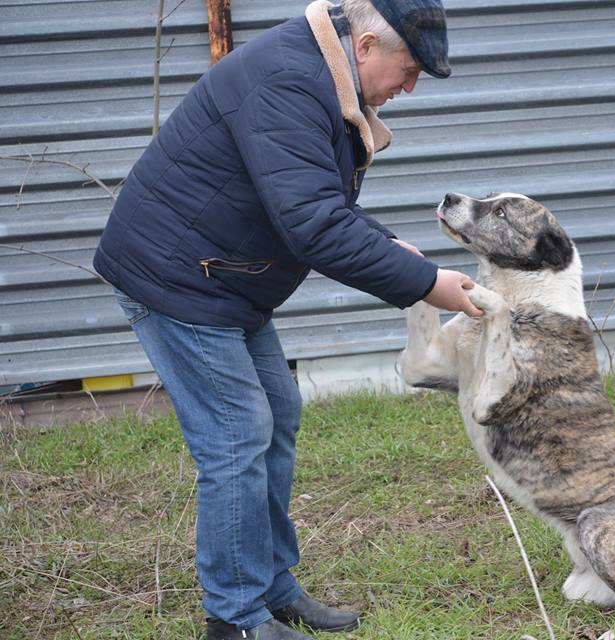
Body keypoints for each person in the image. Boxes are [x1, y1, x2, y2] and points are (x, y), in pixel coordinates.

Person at [93, 1, 479, 638]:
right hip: (178, 278)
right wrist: (426, 282)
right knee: (238, 435)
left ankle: (269, 585)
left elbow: (309, 198)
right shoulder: (289, 81)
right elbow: (313, 226)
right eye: (409, 69)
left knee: (277, 416)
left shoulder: (318, 72)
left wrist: (389, 248)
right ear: (366, 46)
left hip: (222, 276)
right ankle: (237, 618)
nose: (410, 87)